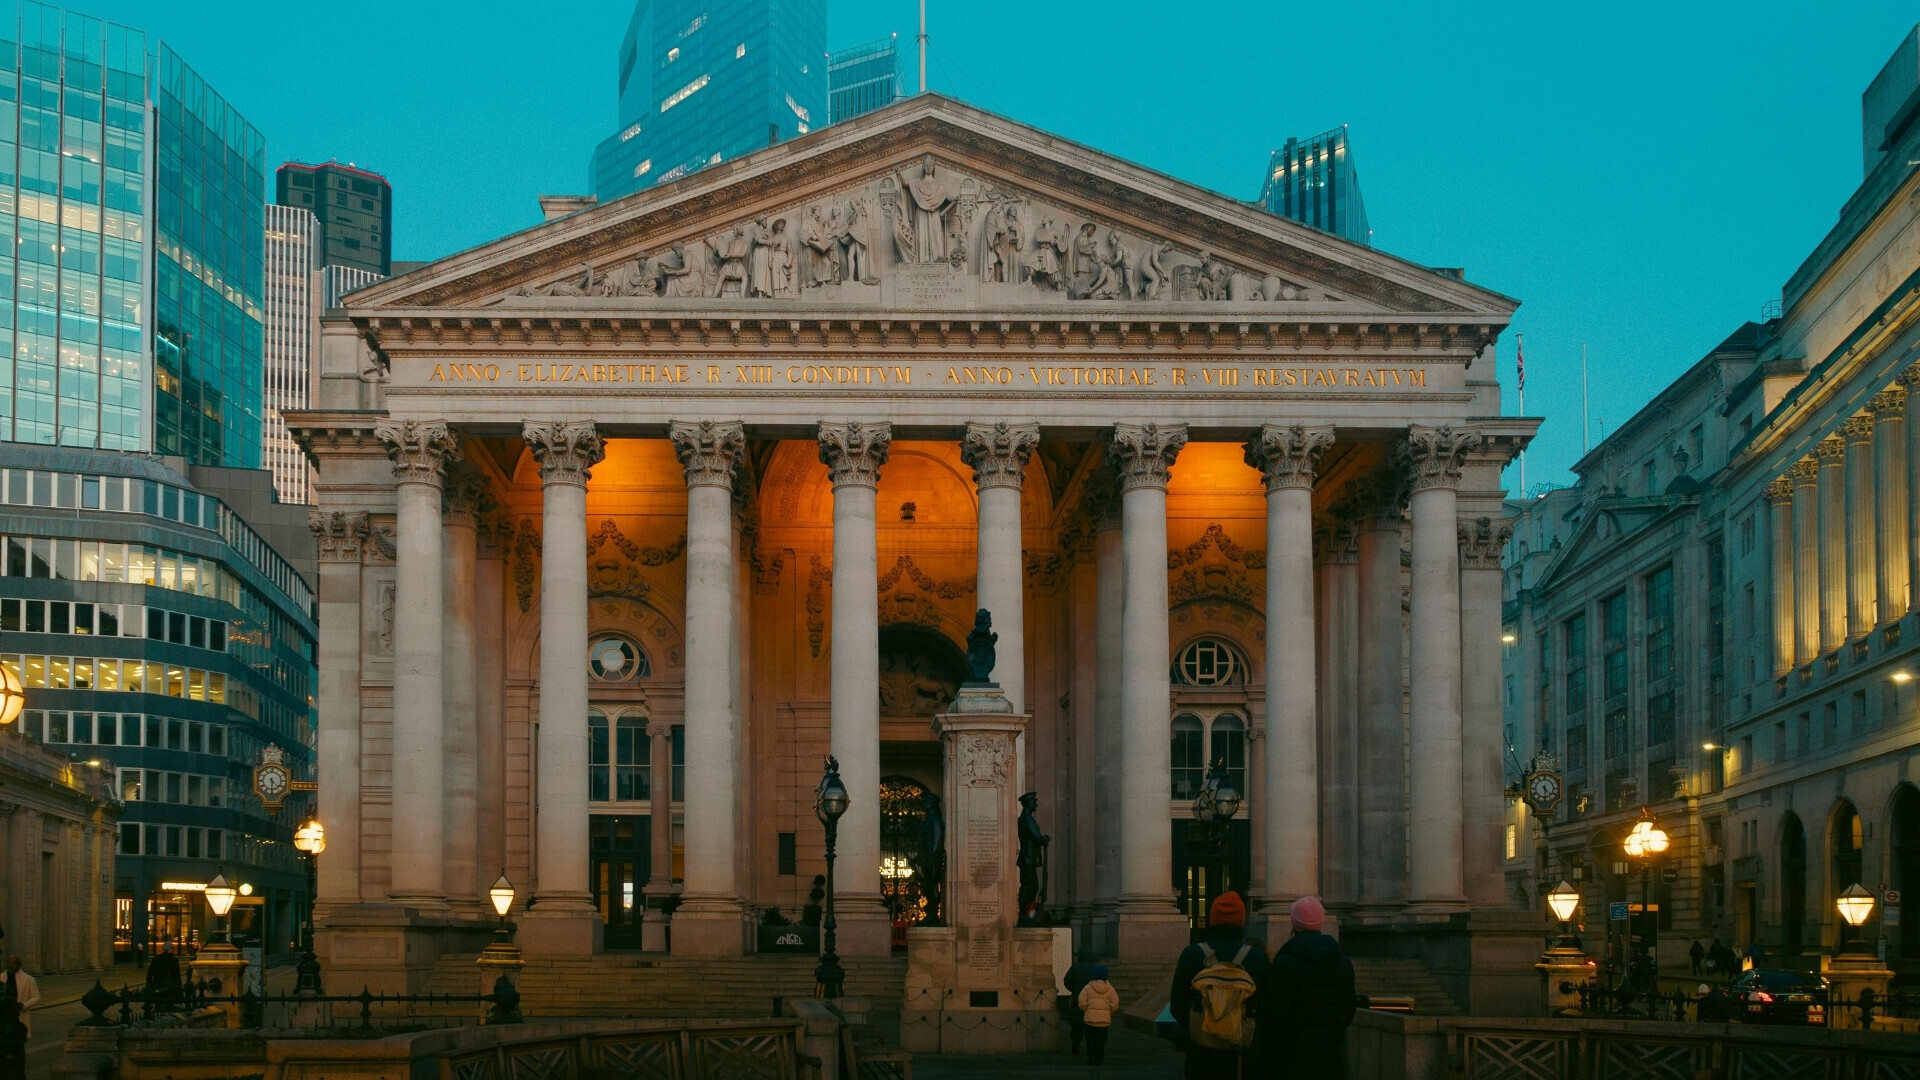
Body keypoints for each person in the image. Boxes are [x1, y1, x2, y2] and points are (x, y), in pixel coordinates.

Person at [1171, 891, 1271, 1080]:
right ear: (1241, 921)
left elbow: (1177, 1006)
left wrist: (1199, 1028)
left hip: (1200, 1053)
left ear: (1213, 920)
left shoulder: (1192, 955)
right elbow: (1268, 1007)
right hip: (1241, 1056)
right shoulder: (1257, 958)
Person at [1265, 896, 1355, 1080]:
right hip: (1332, 1053)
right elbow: (1348, 1011)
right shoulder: (1343, 962)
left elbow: (1277, 1011)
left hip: (1296, 1054)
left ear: (1294, 924)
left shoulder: (1286, 961)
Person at [1077, 963, 1120, 1066]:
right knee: (1101, 1040)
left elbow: (1081, 1002)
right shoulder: (1110, 988)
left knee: (1090, 1039)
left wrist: (1086, 1011)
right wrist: (1108, 1013)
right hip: (1104, 1021)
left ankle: (1091, 1055)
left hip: (1090, 1020)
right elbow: (1115, 1003)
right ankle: (1099, 1056)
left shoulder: (1088, 987)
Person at [1063, 947, 1099, 1056]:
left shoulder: (1075, 967)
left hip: (1077, 1000)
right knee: (1090, 1027)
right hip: (1091, 1001)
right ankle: (1090, 1048)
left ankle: (1076, 1044)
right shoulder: (1095, 968)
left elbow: (1067, 981)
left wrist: (1074, 990)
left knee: (1076, 1026)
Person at [1, 959, 36, 1040]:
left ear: (19, 965)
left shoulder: (29, 979)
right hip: (5, 1011)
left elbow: (36, 997)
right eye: (9, 962)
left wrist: (24, 1005)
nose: (11, 965)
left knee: (19, 1036)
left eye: (14, 963)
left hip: (19, 1012)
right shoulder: (1, 977)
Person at [146, 942, 183, 1007]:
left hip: (158, 983)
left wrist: (149, 985)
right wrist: (179, 987)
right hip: (170, 985)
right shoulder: (174, 960)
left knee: (159, 1002)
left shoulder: (156, 959)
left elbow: (150, 973)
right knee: (170, 1003)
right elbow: (177, 975)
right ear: (169, 949)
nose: (173, 950)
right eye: (172, 949)